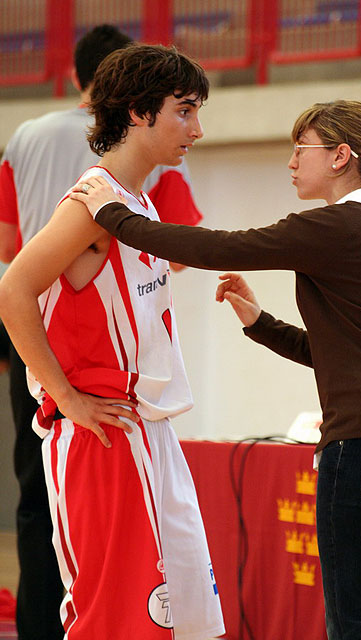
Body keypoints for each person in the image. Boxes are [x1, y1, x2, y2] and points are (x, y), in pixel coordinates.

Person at [71, 100, 361, 639]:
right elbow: (345, 353)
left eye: (300, 150)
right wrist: (259, 321)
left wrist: (114, 215)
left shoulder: (339, 226)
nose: (290, 162)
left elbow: (218, 247)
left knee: (358, 622)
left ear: (340, 156)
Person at [0, 25, 205, 640]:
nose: (197, 129)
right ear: (140, 113)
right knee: (110, 618)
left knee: (171, 615)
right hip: (98, 431)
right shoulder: (91, 202)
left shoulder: (139, 203)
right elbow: (13, 287)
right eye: (186, 112)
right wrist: (64, 396)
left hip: (143, 426)